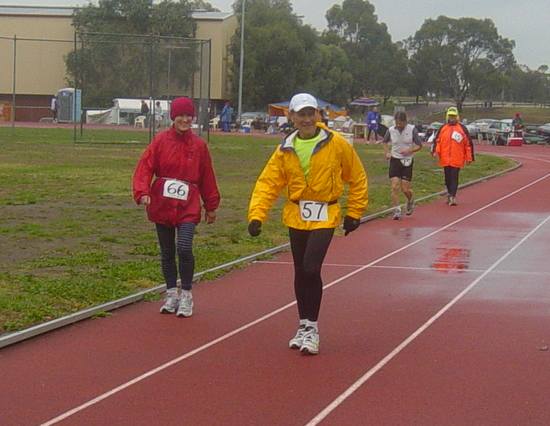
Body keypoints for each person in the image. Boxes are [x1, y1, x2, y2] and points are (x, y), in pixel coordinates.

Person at [247, 93, 368, 355]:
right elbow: (268, 183)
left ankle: (312, 328)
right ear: (291, 117)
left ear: (318, 114)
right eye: (300, 114)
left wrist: (354, 212)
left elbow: (357, 177)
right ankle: (303, 325)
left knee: (312, 268)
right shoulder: (285, 148)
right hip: (296, 214)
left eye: (310, 113)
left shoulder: (336, 144)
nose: (306, 119)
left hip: (326, 212)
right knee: (300, 271)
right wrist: (257, 215)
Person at [133, 97, 220, 317]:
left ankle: (187, 294)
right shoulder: (160, 141)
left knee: (184, 247)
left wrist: (211, 205)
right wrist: (142, 192)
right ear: (173, 117)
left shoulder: (199, 146)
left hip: (188, 206)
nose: (184, 119)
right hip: (162, 204)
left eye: (188, 116)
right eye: (180, 115)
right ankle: (171, 292)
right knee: (167, 252)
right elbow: (145, 167)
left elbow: (207, 176)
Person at [382, 111, 423, 220]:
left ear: (405, 121)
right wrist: (387, 152)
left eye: (401, 123)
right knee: (394, 186)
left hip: (407, 161)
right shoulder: (391, 130)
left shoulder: (412, 129)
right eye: (397, 123)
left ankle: (410, 199)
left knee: (405, 189)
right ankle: (397, 210)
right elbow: (385, 142)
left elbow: (419, 145)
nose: (399, 125)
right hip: (395, 160)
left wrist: (410, 150)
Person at [432, 106, 474, 206]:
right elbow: (437, 141)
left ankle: (453, 196)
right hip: (445, 159)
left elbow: (468, 144)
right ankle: (449, 193)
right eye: (450, 116)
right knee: (447, 178)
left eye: (454, 117)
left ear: (457, 117)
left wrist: (469, 157)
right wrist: (435, 152)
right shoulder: (443, 128)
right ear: (447, 117)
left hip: (457, 158)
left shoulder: (462, 129)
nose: (452, 118)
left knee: (454, 177)